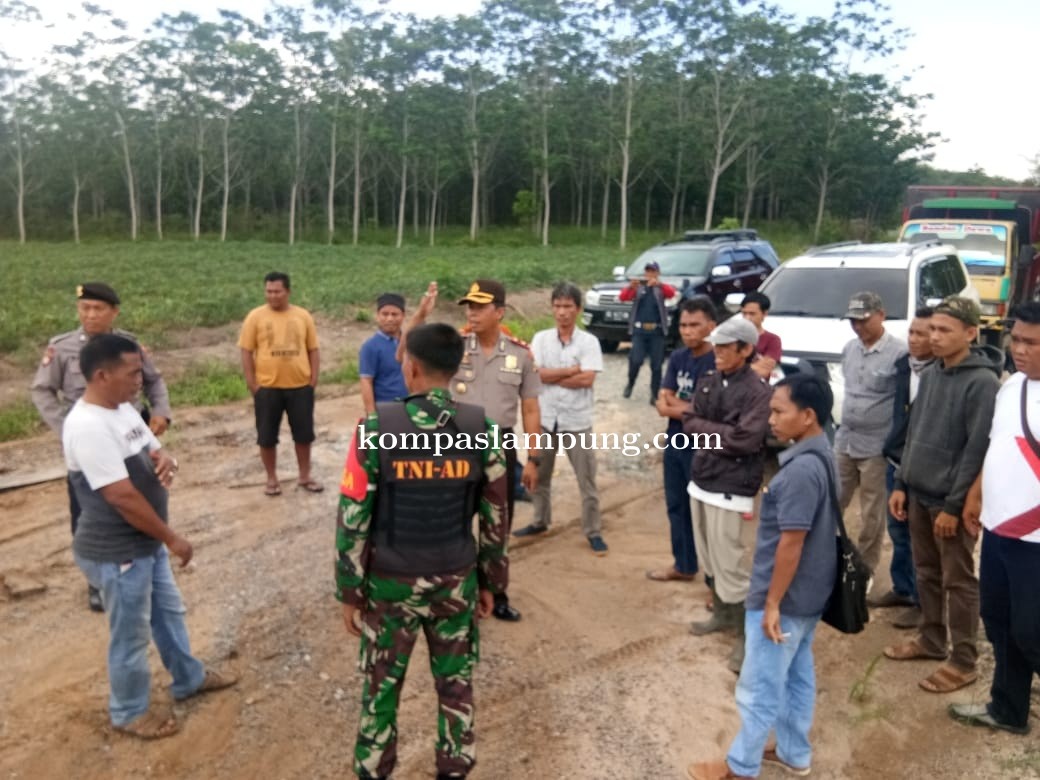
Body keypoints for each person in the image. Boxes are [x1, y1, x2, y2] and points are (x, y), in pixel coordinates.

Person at [335, 323, 509, 780]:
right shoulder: (483, 429)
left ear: (410, 368)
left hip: (390, 587)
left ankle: (374, 771)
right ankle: (453, 770)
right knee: (456, 688)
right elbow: (495, 519)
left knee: (379, 692)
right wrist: (493, 583)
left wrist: (350, 591)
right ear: (455, 370)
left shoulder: (375, 429)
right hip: (455, 582)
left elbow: (352, 519)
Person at [66, 334, 236, 739]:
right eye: (132, 373)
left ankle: (188, 678)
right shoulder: (87, 426)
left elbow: (155, 451)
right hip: (118, 551)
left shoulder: (122, 409)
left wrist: (167, 461)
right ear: (102, 375)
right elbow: (122, 497)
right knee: (131, 635)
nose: (140, 380)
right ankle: (128, 711)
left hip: (143, 544)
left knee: (168, 614)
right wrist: (172, 538)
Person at [687, 374, 837, 780]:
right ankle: (792, 752)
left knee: (759, 688)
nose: (770, 419)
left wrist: (771, 603)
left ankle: (740, 767)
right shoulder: (821, 452)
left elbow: (792, 542)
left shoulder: (801, 471)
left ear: (807, 416)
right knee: (797, 676)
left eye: (778, 411)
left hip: (785, 599)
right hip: (808, 594)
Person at [31, 281, 172, 612]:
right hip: (90, 442)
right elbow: (42, 390)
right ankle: (96, 582)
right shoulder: (63, 347)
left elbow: (154, 380)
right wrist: (67, 429)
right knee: (89, 510)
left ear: (114, 312)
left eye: (97, 309)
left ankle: (145, 562)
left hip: (129, 438)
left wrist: (162, 411)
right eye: (84, 308)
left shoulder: (128, 346)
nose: (89, 315)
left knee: (139, 497)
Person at [885, 296, 1001, 694]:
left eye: (944, 330)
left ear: (971, 333)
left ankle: (964, 659)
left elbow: (976, 448)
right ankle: (932, 640)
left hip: (947, 502)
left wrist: (954, 506)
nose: (933, 337)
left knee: (959, 579)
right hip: (917, 492)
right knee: (927, 573)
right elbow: (914, 432)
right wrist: (901, 483)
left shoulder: (982, 382)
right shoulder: (933, 373)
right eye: (931, 329)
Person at [409, 278, 541, 622]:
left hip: (503, 445)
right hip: (458, 445)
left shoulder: (520, 353)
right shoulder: (454, 345)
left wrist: (534, 458)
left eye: (480, 306)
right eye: (469, 305)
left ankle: (496, 593)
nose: (472, 312)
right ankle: (452, 593)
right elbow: (410, 350)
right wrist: (421, 313)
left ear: (499, 311)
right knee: (454, 521)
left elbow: (530, 409)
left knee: (498, 524)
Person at [950, 302, 1040, 736]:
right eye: (1016, 339)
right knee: (999, 620)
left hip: (1037, 541)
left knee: (1032, 631)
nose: (1018, 349)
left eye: (1031, 342)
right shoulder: (1012, 387)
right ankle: (1008, 708)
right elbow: (1000, 444)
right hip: (999, 530)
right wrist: (975, 494)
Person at [684, 315, 771, 673]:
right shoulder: (708, 380)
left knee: (731, 563)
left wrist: (711, 433)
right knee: (710, 556)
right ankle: (722, 615)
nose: (716, 351)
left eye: (724, 346)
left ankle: (748, 638)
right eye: (716, 344)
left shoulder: (758, 392)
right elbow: (688, 423)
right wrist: (722, 433)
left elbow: (745, 440)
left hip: (732, 486)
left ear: (746, 349)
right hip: (702, 480)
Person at [513, 283, 607, 554]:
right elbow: (535, 374)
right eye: (557, 306)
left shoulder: (589, 341)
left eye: (568, 307)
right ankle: (540, 521)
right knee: (540, 476)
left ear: (577, 310)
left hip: (577, 421)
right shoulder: (541, 339)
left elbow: (587, 379)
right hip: (545, 418)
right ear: (552, 308)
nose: (562, 312)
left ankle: (593, 530)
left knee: (586, 479)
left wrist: (555, 375)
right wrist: (571, 370)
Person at [835, 291, 907, 579]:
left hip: (876, 447)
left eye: (864, 321)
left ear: (881, 315)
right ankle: (829, 559)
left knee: (871, 515)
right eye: (853, 321)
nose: (858, 327)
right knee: (832, 502)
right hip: (845, 440)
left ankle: (863, 571)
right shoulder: (849, 348)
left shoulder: (899, 353)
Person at [647, 297, 717, 581]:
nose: (687, 331)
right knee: (676, 504)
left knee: (706, 512)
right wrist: (684, 408)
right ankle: (684, 565)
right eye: (683, 325)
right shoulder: (678, 357)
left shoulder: (716, 360)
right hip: (676, 440)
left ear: (711, 326)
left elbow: (707, 409)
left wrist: (679, 407)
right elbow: (662, 399)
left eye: (694, 325)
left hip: (703, 445)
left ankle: (716, 579)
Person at [238, 271, 322, 496]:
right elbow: (246, 351)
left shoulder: (303, 316)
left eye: (277, 291)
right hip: (267, 388)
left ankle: (305, 476)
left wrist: (313, 378)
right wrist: (252, 383)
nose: (272, 296)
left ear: (288, 291)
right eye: (268, 291)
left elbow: (313, 349)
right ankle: (271, 479)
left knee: (304, 435)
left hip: (300, 386)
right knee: (266, 436)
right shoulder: (255, 317)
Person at [878, 307, 935, 628]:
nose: (914, 339)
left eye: (922, 333)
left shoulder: (941, 374)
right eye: (911, 332)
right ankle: (902, 588)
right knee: (898, 530)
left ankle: (922, 601)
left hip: (925, 471)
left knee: (921, 539)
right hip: (897, 462)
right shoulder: (903, 367)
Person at [619, 260, 676, 403]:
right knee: (636, 360)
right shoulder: (638, 287)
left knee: (656, 365)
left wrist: (659, 284)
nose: (650, 274)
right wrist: (630, 287)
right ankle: (630, 383)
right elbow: (623, 297)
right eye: (648, 271)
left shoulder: (661, 288)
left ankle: (654, 393)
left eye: (653, 271)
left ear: (657, 273)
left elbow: (672, 293)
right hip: (640, 330)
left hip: (656, 331)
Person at [358, 293, 409, 414]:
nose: (390, 319)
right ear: (377, 316)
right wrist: (371, 415)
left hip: (412, 407)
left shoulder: (411, 342)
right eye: (385, 314)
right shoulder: (370, 347)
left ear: (403, 316)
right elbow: (366, 381)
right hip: (385, 409)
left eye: (394, 314)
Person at [740, 291, 782, 380]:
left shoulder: (772, 340)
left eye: (752, 314)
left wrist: (736, 368)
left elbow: (765, 369)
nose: (747, 318)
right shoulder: (733, 337)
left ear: (764, 314)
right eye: (744, 313)